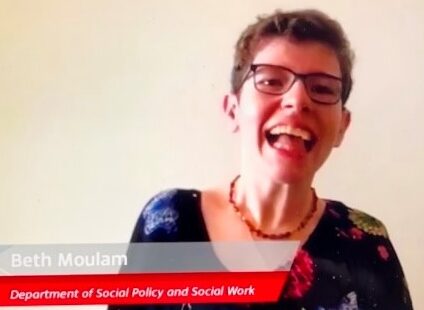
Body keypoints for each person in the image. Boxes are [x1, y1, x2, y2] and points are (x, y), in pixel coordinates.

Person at [109, 9, 413, 310]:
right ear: (233, 110)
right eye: (271, 81)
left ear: (342, 127)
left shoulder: (366, 246)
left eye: (321, 88)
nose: (297, 101)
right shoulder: (169, 223)